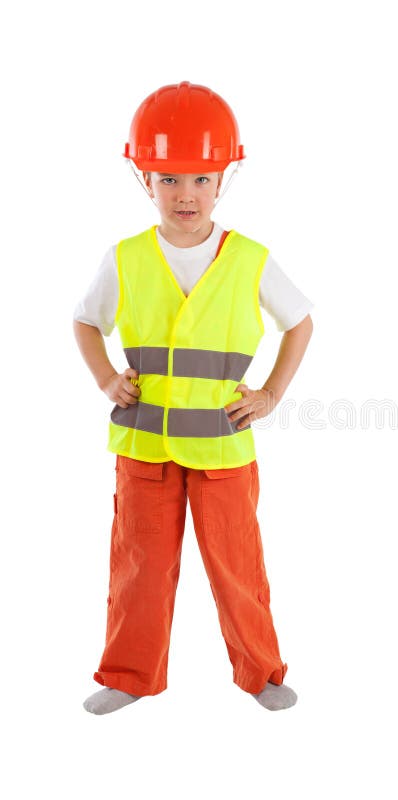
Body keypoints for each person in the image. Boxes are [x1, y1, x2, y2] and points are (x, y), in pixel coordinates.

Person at [74, 82, 313, 715]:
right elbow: (84, 322)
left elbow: (301, 322)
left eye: (203, 178)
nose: (187, 193)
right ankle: (128, 676)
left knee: (237, 564)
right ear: (143, 178)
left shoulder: (252, 259)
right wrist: (105, 379)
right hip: (145, 445)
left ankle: (261, 672)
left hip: (221, 445)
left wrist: (271, 395)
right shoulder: (124, 258)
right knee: (138, 568)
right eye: (169, 178)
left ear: (224, 177)